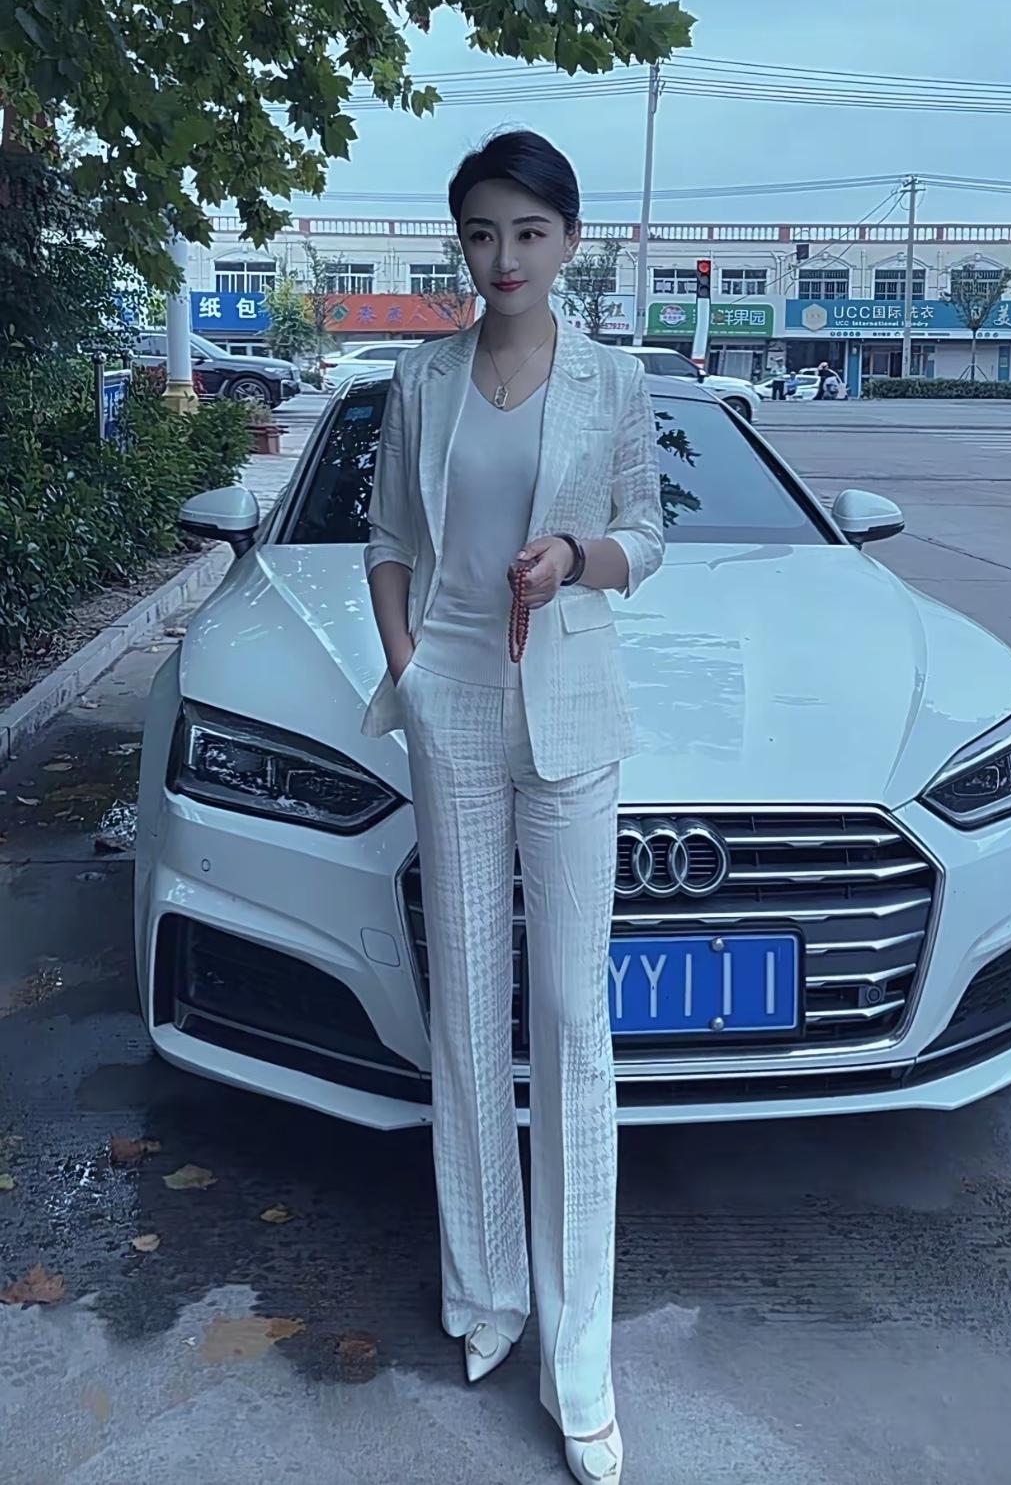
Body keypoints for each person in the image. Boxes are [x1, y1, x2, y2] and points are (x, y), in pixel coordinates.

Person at [363, 129, 664, 1483]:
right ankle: (486, 1293)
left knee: (573, 1022)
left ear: (569, 242)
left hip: (573, 711)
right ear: (463, 242)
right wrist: (411, 676)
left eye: (530, 232)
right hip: (454, 708)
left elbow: (649, 534)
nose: (504, 257)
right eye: (482, 232)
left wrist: (579, 555)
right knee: (470, 1008)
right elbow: (388, 542)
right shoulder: (419, 379)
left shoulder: (615, 379)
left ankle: (579, 1361)